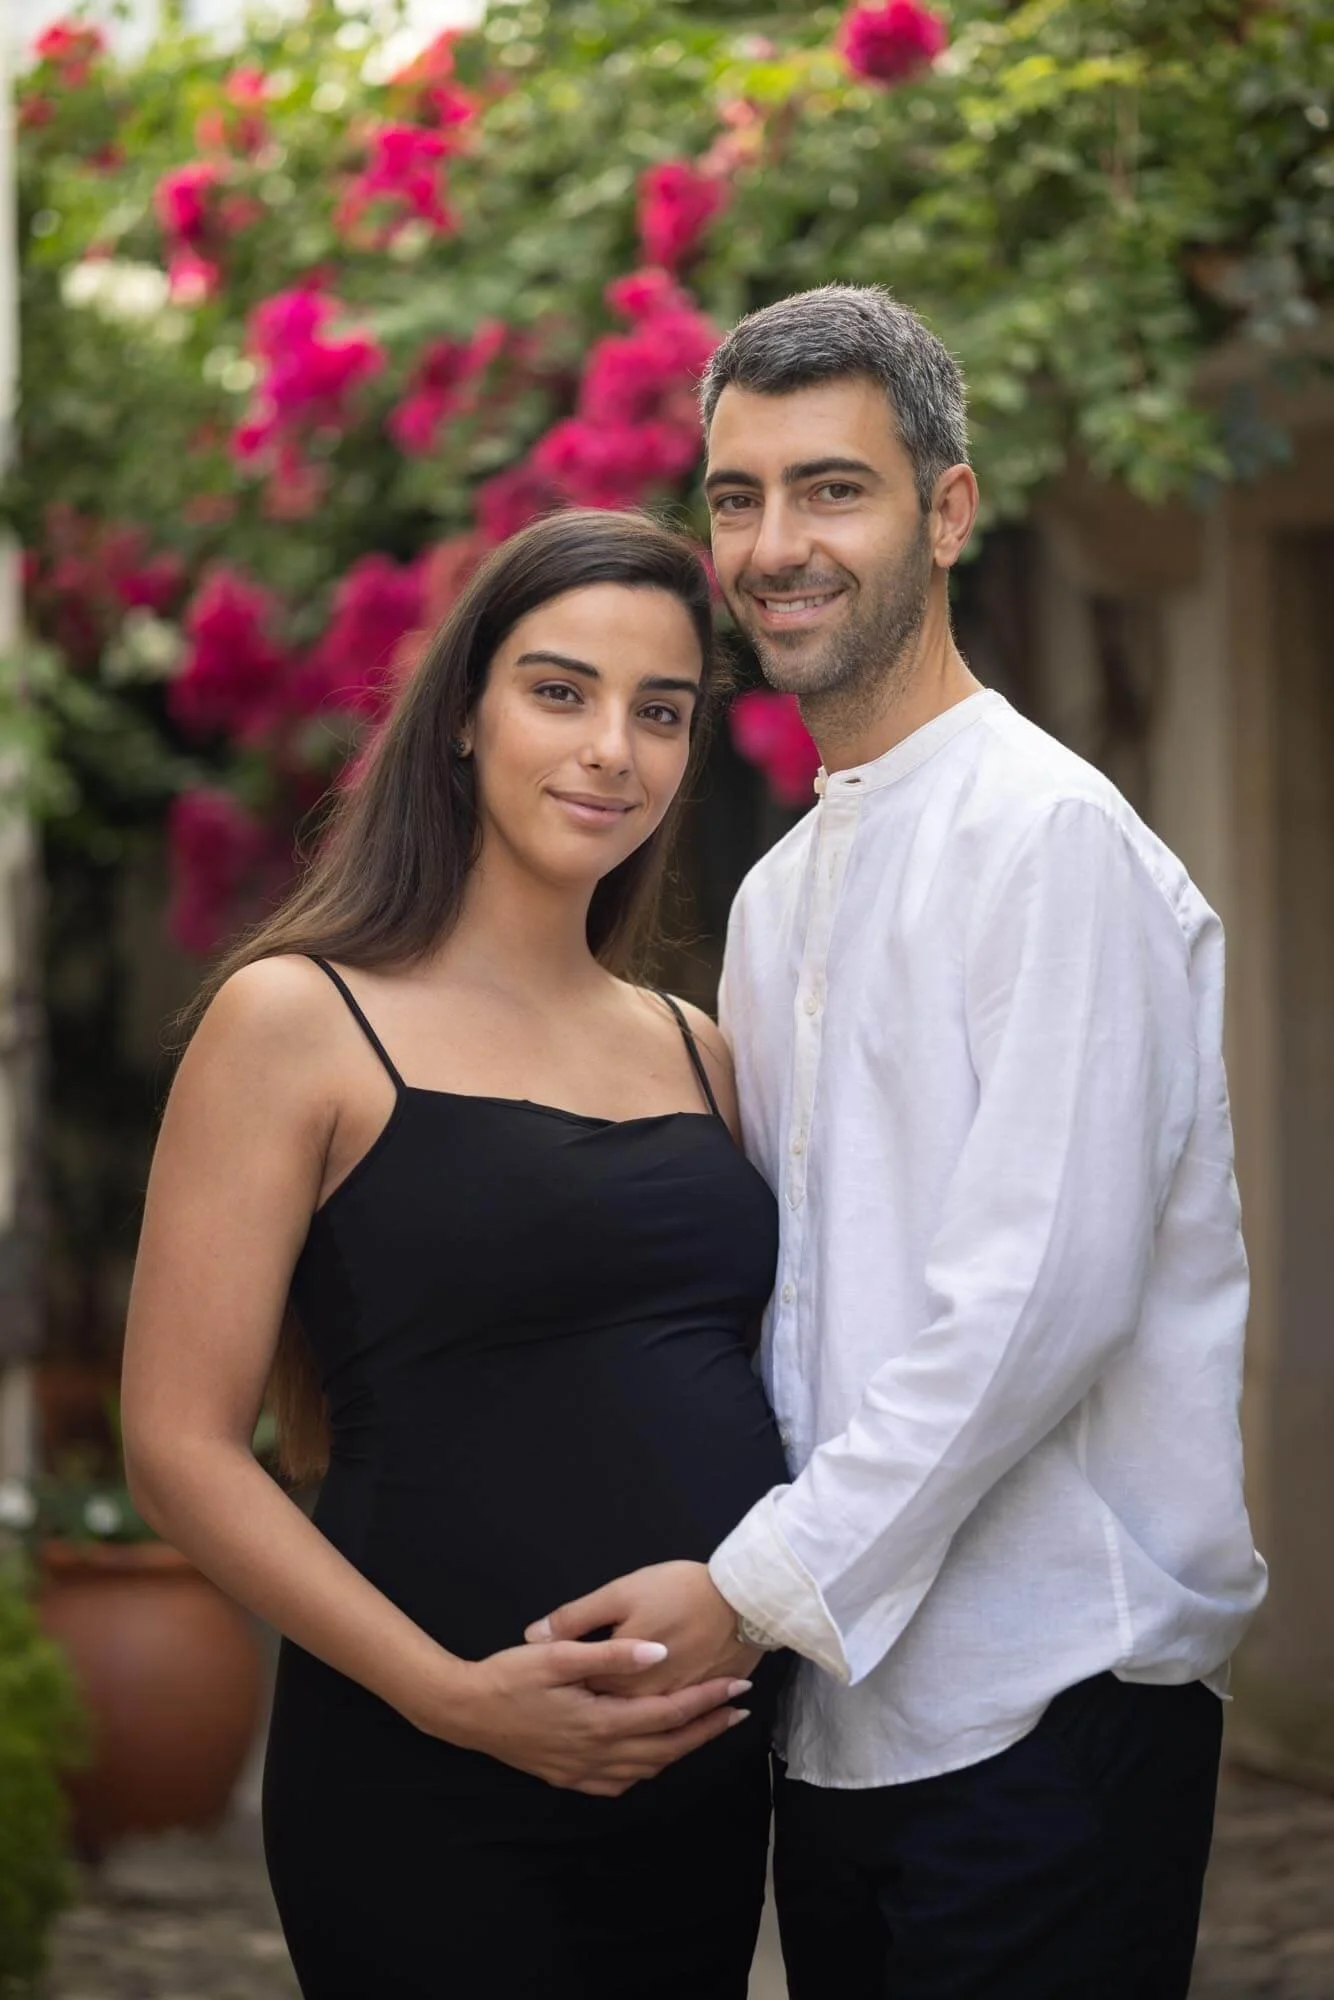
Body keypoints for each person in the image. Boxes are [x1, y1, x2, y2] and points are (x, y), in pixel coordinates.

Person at [526, 286, 1270, 1998]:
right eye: (737, 496)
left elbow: (1036, 1304)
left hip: (1046, 1699)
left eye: (831, 489)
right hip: (839, 1723)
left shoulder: (1050, 841)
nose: (776, 544)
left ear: (945, 511)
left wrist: (751, 1581)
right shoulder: (785, 890)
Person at [120, 508, 791, 2000]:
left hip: (690, 1785)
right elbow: (176, 1443)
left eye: (660, 711)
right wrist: (460, 1701)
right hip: (424, 1776)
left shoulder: (702, 1052)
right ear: (459, 723)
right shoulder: (297, 1019)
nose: (611, 747)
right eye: (560, 691)